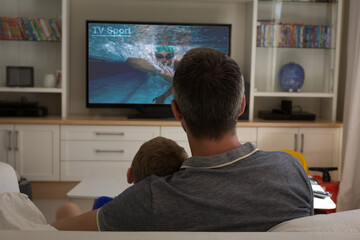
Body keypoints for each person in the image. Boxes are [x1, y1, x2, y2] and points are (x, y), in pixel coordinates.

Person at [51, 47, 313, 231]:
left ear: (176, 110)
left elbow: (57, 230)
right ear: (242, 105)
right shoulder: (291, 171)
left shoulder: (151, 198)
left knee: (67, 208)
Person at [53, 136, 188, 221]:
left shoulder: (113, 211)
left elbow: (61, 227)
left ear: (130, 175)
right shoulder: (186, 215)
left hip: (106, 216)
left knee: (68, 208)